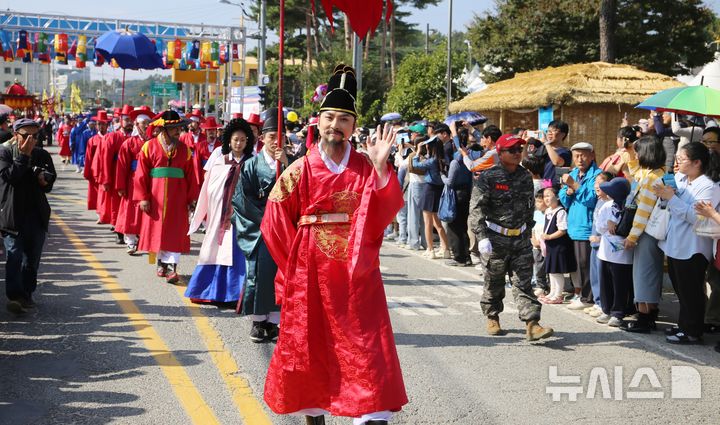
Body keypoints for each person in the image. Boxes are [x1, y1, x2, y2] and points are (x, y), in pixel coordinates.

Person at [260, 64, 407, 424]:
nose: (335, 125)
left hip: (356, 274)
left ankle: (370, 411)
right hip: (310, 271)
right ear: (318, 121)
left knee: (365, 345)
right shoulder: (300, 169)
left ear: (353, 127)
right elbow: (275, 222)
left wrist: (382, 168)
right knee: (311, 346)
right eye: (329, 117)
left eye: (343, 119)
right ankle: (315, 411)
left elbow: (384, 208)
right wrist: (293, 267)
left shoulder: (365, 166)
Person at [471, 133, 554, 341]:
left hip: (520, 240)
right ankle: (492, 316)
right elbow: (476, 209)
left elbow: (529, 207)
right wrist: (481, 237)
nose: (518, 153)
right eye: (512, 150)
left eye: (520, 149)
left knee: (524, 283)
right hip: (495, 239)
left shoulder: (525, 176)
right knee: (494, 282)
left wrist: (529, 229)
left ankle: (532, 324)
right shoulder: (489, 177)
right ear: (500, 153)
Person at [185, 118, 254, 306]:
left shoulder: (253, 162)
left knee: (239, 253)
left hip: (243, 217)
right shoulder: (219, 160)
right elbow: (211, 186)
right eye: (235, 140)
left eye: (242, 140)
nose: (238, 143)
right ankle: (212, 291)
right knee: (215, 250)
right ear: (229, 141)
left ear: (247, 141)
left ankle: (236, 295)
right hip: (220, 214)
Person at [656, 142, 720, 344]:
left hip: (693, 248)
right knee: (681, 290)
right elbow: (671, 206)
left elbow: (697, 217)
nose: (677, 162)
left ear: (697, 162)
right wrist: (666, 195)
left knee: (691, 291)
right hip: (675, 243)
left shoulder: (709, 186)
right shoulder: (681, 180)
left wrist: (672, 199)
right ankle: (684, 325)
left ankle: (692, 331)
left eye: (681, 159)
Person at [234, 111, 288, 341]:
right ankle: (257, 322)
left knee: (280, 274)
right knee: (258, 273)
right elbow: (242, 199)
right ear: (262, 138)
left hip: (284, 228)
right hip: (260, 227)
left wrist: (286, 164)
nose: (277, 141)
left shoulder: (292, 163)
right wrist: (265, 219)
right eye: (272, 136)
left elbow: (299, 192)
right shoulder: (251, 165)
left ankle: (274, 321)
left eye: (281, 136)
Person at [134, 110, 199, 284]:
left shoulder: (184, 149)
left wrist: (192, 198)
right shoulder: (149, 146)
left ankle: (172, 267)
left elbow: (191, 175)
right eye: (175, 128)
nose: (179, 131)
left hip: (178, 197)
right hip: (155, 197)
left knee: (175, 231)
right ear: (164, 129)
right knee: (159, 231)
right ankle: (161, 262)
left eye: (179, 127)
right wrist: (143, 197)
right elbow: (141, 174)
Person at [0, 118, 55, 314]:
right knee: (14, 255)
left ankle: (27, 293)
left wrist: (44, 179)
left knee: (31, 259)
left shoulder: (41, 154)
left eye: (35, 136)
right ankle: (15, 296)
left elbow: (50, 179)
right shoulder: (4, 152)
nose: (31, 140)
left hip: (35, 214)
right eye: (26, 136)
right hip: (12, 213)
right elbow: (9, 176)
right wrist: (23, 156)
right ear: (16, 135)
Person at [619, 136, 666, 333]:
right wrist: (630, 156)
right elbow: (636, 173)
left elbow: (643, 211)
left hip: (645, 233)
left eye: (638, 151)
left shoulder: (651, 180)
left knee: (643, 274)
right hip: (650, 233)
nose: (636, 154)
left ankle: (645, 317)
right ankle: (648, 314)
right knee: (649, 272)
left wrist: (632, 237)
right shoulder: (657, 173)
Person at [559, 142, 600, 310]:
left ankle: (589, 298)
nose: (579, 159)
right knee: (580, 264)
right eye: (576, 156)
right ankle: (584, 295)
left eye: (583, 155)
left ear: (592, 156)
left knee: (587, 264)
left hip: (588, 226)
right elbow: (563, 198)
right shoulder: (573, 173)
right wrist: (567, 191)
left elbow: (592, 199)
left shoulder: (597, 175)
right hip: (575, 225)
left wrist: (574, 186)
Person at [595, 177, 635, 327]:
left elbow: (630, 227)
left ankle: (618, 313)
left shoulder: (630, 207)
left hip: (623, 253)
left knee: (620, 284)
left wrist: (617, 225)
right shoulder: (607, 206)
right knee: (605, 282)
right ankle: (606, 309)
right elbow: (599, 227)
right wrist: (608, 223)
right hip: (605, 252)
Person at [115, 107, 153, 255]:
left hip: (149, 181)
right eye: (143, 123)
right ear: (137, 125)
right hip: (133, 182)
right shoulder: (129, 143)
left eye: (148, 123)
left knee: (148, 211)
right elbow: (122, 167)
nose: (146, 126)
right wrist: (120, 186)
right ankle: (130, 241)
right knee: (131, 211)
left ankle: (146, 240)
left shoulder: (153, 143)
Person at [95, 110, 131, 243]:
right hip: (117, 175)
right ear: (121, 121)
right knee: (116, 205)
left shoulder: (139, 138)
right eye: (126, 120)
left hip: (133, 176)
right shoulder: (112, 137)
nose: (129, 123)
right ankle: (119, 231)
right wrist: (105, 179)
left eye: (131, 120)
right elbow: (105, 159)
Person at [413, 135, 451, 259]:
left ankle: (430, 249)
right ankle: (446, 249)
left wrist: (418, 152)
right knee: (437, 222)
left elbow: (416, 164)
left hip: (429, 189)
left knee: (428, 223)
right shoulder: (444, 158)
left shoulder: (432, 160)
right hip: (439, 190)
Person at [538, 186, 576, 304]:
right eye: (545, 196)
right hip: (550, 246)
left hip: (559, 245)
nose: (546, 199)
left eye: (549, 195)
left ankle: (558, 294)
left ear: (557, 197)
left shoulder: (561, 211)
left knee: (557, 270)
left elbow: (562, 230)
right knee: (551, 270)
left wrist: (549, 236)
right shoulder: (548, 211)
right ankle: (552, 292)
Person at [585, 171, 613, 318]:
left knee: (603, 277)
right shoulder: (599, 200)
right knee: (594, 274)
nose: (597, 186)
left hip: (604, 245)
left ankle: (603, 304)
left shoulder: (610, 203)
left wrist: (600, 239)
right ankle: (597, 302)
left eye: (601, 183)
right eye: (596, 183)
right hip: (594, 244)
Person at [83, 111, 111, 217]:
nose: (101, 127)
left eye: (103, 124)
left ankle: (106, 213)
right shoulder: (92, 140)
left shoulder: (110, 138)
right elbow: (89, 157)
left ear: (107, 125)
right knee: (97, 193)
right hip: (96, 170)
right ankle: (99, 213)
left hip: (107, 170)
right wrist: (87, 171)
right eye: (99, 124)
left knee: (106, 193)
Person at [192, 116, 223, 189]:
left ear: (216, 131)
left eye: (213, 129)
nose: (211, 132)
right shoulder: (199, 146)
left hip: (217, 179)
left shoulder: (221, 147)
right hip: (203, 179)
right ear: (205, 132)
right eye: (209, 130)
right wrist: (198, 183)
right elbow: (196, 165)